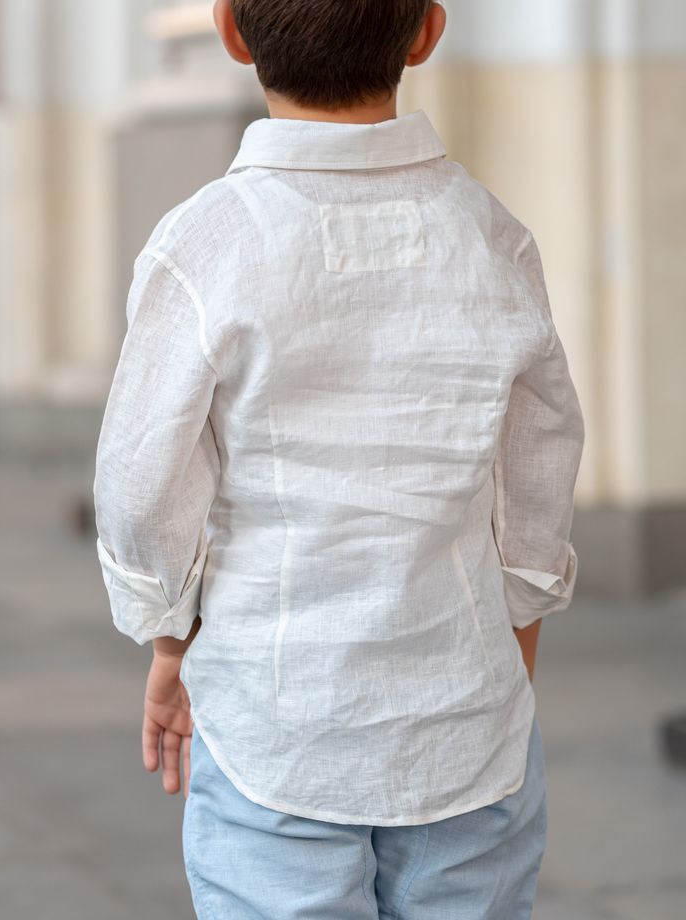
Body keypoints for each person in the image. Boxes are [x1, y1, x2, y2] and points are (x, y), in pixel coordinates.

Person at [92, 1, 586, 916]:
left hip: (278, 728)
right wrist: (512, 638)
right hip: (471, 731)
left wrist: (169, 637)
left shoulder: (206, 245)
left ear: (231, 31)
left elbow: (140, 486)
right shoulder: (493, 236)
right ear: (427, 33)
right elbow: (541, 462)